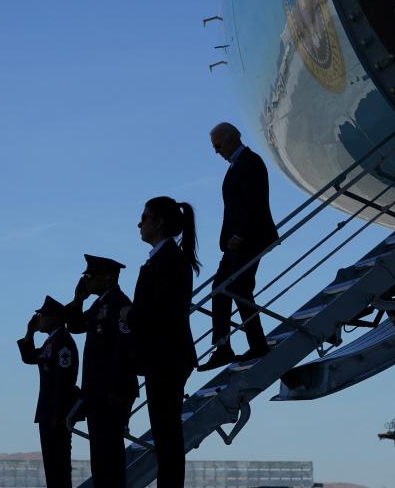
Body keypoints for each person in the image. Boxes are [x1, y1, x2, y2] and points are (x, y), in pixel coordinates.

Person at [129, 196, 199, 488]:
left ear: (158, 222)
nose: (139, 223)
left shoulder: (168, 260)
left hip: (166, 356)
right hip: (165, 356)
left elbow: (161, 309)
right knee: (164, 433)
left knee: (167, 433)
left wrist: (130, 314)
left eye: (145, 217)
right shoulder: (167, 258)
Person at [199, 122, 278, 371]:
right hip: (235, 243)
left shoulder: (250, 162)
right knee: (222, 289)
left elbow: (253, 202)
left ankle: (254, 344)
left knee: (239, 288)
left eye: (218, 145)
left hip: (248, 239)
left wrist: (241, 234)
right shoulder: (237, 165)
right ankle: (224, 346)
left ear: (231, 138)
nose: (216, 151)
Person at [66, 254, 139, 488]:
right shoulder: (100, 305)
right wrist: (78, 299)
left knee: (110, 456)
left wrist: (117, 390)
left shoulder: (119, 304)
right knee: (99, 457)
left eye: (90, 275)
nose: (87, 280)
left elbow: (125, 350)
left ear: (108, 277)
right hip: (97, 392)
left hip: (112, 392)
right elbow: (76, 326)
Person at [17, 296, 78, 488]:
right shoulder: (52, 342)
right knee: (52, 467)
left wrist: (59, 412)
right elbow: (30, 358)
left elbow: (64, 379)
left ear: (54, 317)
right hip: (47, 411)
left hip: (56, 413)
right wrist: (30, 332)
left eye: (42, 315)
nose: (39, 319)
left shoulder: (63, 341)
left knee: (59, 465)